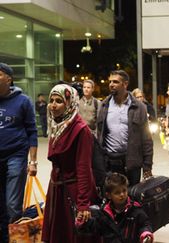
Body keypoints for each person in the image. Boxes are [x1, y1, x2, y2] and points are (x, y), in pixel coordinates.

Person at [41, 84, 99, 243]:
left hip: (72, 192)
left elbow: (84, 169)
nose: (53, 104)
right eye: (51, 100)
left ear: (70, 103)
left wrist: (83, 204)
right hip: (56, 190)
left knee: (73, 236)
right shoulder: (57, 125)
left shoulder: (80, 130)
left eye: (59, 101)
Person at [0, 62, 38, 242]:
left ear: (9, 78)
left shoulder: (23, 101)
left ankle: (15, 238)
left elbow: (32, 131)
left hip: (15, 155)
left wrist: (33, 161)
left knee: (12, 204)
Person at [96, 70, 153, 187]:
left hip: (131, 163)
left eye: (115, 82)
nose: (111, 84)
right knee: (111, 200)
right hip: (109, 163)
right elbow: (99, 135)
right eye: (110, 81)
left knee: (132, 199)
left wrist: (147, 165)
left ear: (125, 84)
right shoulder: (104, 106)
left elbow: (146, 138)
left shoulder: (139, 107)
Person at [76, 172, 154, 243]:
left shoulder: (135, 209)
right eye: (117, 192)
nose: (122, 194)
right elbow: (94, 227)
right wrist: (82, 221)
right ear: (109, 195)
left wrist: (146, 234)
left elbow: (145, 224)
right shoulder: (104, 214)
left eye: (124, 190)